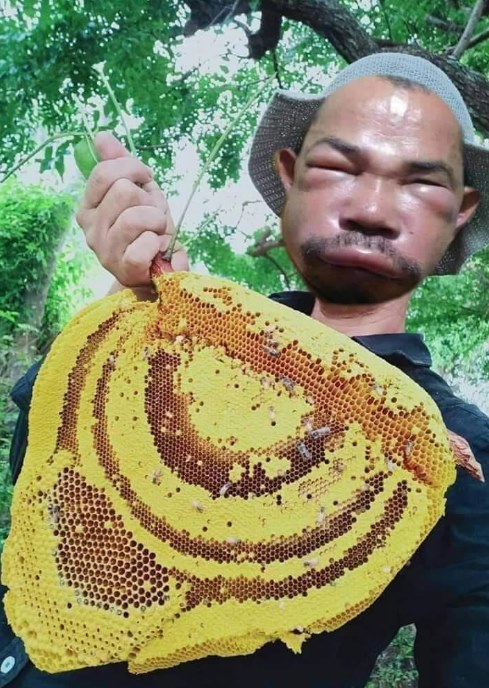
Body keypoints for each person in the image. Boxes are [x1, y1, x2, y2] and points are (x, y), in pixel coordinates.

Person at [2, 52, 489, 687]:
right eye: (339, 166)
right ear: (290, 173)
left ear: (461, 209)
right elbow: (43, 485)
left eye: (420, 182)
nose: (371, 208)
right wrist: (136, 313)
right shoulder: (176, 328)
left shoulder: (461, 453)